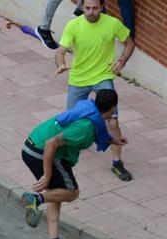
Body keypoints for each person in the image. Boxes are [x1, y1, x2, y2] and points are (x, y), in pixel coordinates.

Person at [20, 89, 124, 239]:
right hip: (42, 152)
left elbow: (99, 131)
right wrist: (46, 175)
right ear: (113, 108)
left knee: (57, 193)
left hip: (31, 146)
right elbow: (51, 143)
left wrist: (114, 140)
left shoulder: (88, 109)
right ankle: (35, 199)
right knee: (71, 192)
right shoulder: (85, 127)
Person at [55, 0, 135, 182]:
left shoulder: (112, 23)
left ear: (102, 6)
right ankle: (64, 152)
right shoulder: (73, 25)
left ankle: (117, 164)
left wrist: (121, 61)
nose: (91, 12)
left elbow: (129, 43)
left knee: (112, 122)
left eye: (95, 8)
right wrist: (60, 64)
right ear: (82, 6)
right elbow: (61, 51)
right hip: (78, 79)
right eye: (87, 8)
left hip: (103, 77)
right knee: (70, 121)